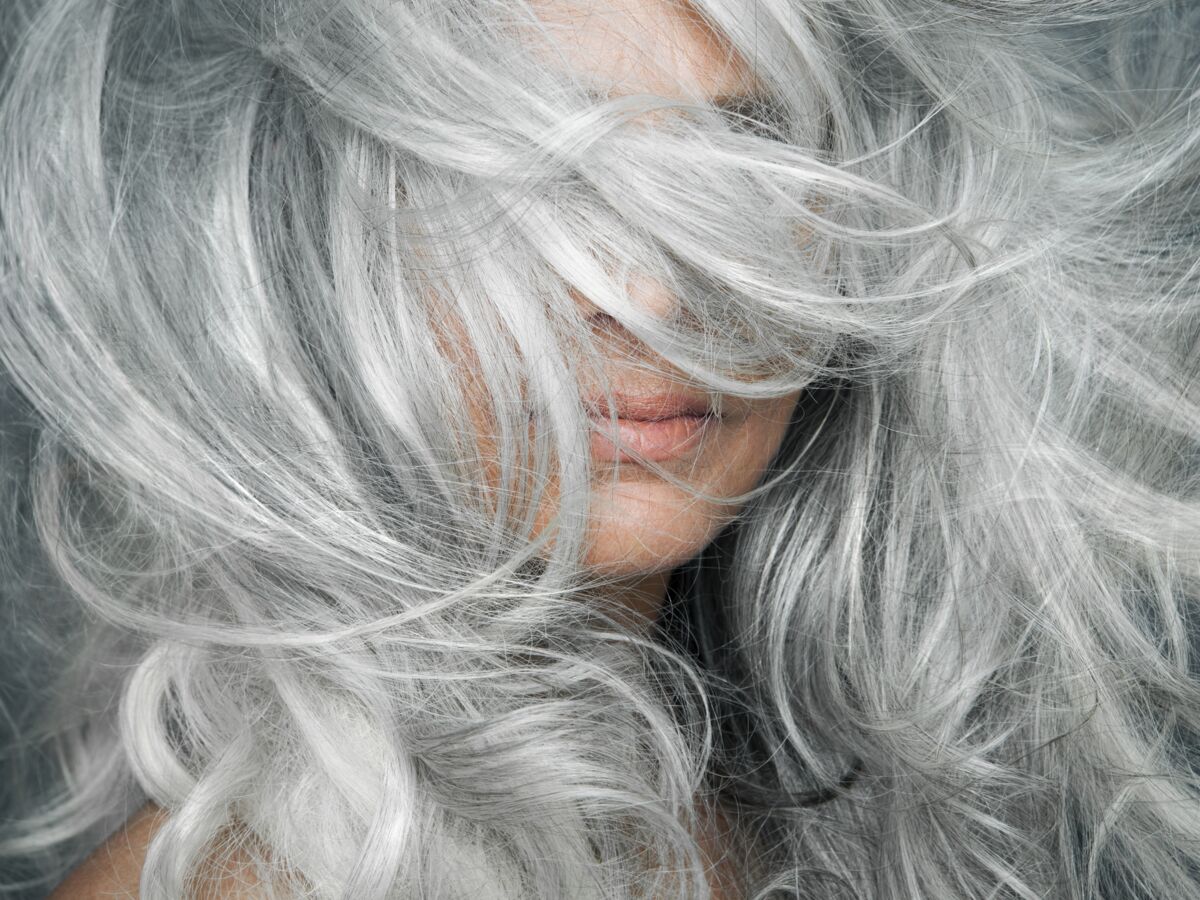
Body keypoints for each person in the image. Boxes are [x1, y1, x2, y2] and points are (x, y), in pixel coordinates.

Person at [0, 0, 1197, 896]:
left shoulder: (781, 800)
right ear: (298, 239)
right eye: (533, 178)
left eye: (742, 163)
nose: (651, 295)